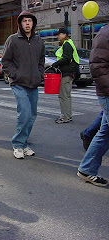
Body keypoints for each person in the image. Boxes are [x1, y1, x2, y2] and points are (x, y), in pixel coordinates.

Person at [1, 11, 45, 159]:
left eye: (30, 21)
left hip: (34, 84)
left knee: (32, 115)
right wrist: (15, 74)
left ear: (33, 23)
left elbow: (41, 61)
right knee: (24, 113)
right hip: (19, 83)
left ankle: (24, 143)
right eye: (25, 21)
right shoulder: (13, 40)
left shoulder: (39, 41)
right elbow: (5, 61)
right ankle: (18, 144)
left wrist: (40, 74)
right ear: (20, 23)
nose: (27, 23)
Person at [77, 24, 109, 187]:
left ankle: (87, 169)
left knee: (105, 133)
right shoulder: (105, 34)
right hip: (107, 93)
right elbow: (97, 65)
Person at [52, 28, 79, 124]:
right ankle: (68, 115)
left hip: (67, 73)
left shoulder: (67, 44)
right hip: (69, 72)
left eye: (59, 34)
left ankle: (65, 117)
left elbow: (67, 58)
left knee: (63, 95)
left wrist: (55, 64)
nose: (57, 36)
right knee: (66, 95)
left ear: (64, 34)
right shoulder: (68, 43)